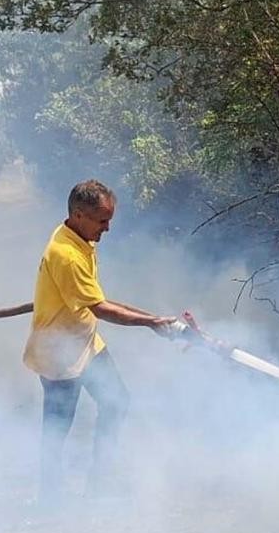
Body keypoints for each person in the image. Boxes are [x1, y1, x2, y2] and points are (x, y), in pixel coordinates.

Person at [24, 180, 179, 504]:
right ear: (79, 215)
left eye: (108, 219)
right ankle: (49, 498)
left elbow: (94, 299)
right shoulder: (65, 254)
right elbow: (100, 307)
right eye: (101, 220)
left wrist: (153, 318)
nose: (107, 228)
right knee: (57, 429)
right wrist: (150, 323)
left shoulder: (77, 237)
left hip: (85, 340)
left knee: (116, 401)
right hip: (59, 353)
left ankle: (100, 483)